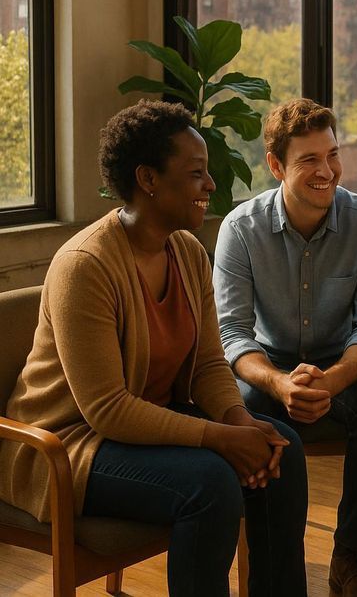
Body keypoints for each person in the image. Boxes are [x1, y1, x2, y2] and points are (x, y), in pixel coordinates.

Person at [0, 100, 308, 596]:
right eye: (196, 173)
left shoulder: (186, 250)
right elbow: (107, 410)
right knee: (209, 484)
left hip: (143, 425)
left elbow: (209, 361)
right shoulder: (85, 266)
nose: (210, 184)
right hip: (69, 446)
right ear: (147, 179)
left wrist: (239, 421)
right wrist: (219, 438)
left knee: (283, 449)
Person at [213, 97, 357, 596]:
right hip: (270, 369)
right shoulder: (240, 229)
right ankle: (276, 574)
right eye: (309, 160)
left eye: (332, 154)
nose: (327, 171)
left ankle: (350, 556)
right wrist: (278, 381)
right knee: (245, 406)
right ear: (275, 166)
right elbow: (232, 333)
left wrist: (331, 380)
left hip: (346, 366)